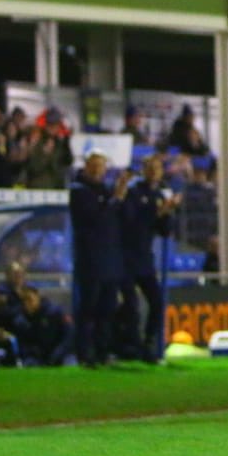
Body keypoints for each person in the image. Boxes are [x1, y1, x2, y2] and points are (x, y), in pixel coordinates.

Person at [69, 149, 130, 366]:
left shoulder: (104, 190)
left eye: (101, 166)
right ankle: (85, 354)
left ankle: (103, 353)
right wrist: (116, 199)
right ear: (86, 166)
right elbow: (96, 218)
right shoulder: (79, 191)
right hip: (90, 260)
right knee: (89, 309)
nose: (97, 170)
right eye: (94, 166)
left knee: (107, 309)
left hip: (109, 260)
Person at [118, 154, 180, 362]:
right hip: (126, 257)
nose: (154, 171)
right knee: (131, 305)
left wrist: (167, 213)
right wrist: (158, 211)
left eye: (157, 168)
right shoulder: (135, 193)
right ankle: (133, 346)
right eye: (150, 167)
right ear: (144, 170)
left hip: (145, 259)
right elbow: (132, 222)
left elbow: (164, 230)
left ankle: (149, 343)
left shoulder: (159, 195)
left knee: (157, 301)